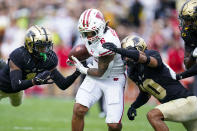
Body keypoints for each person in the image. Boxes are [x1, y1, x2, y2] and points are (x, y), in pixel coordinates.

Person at [102, 35, 197, 131]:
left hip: (187, 102)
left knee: (153, 115)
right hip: (180, 105)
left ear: (139, 49)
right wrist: (134, 106)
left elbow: (144, 59)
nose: (125, 58)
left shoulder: (152, 54)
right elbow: (145, 93)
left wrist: (119, 50)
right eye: (124, 56)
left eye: (127, 53)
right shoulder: (134, 71)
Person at [70, 9, 125, 131]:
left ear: (100, 28)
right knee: (79, 109)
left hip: (113, 78)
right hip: (96, 71)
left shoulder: (109, 43)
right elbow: (91, 49)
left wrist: (82, 69)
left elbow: (101, 72)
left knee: (113, 125)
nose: (88, 37)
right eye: (85, 33)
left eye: (91, 32)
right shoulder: (91, 34)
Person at [0, 25, 81, 107]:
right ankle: (4, 66)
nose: (45, 50)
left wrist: (78, 72)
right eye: (40, 47)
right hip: (2, 86)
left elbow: (63, 84)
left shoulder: (49, 59)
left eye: (47, 46)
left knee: (16, 104)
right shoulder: (19, 55)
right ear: (30, 45)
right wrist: (34, 81)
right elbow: (16, 85)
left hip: (17, 91)